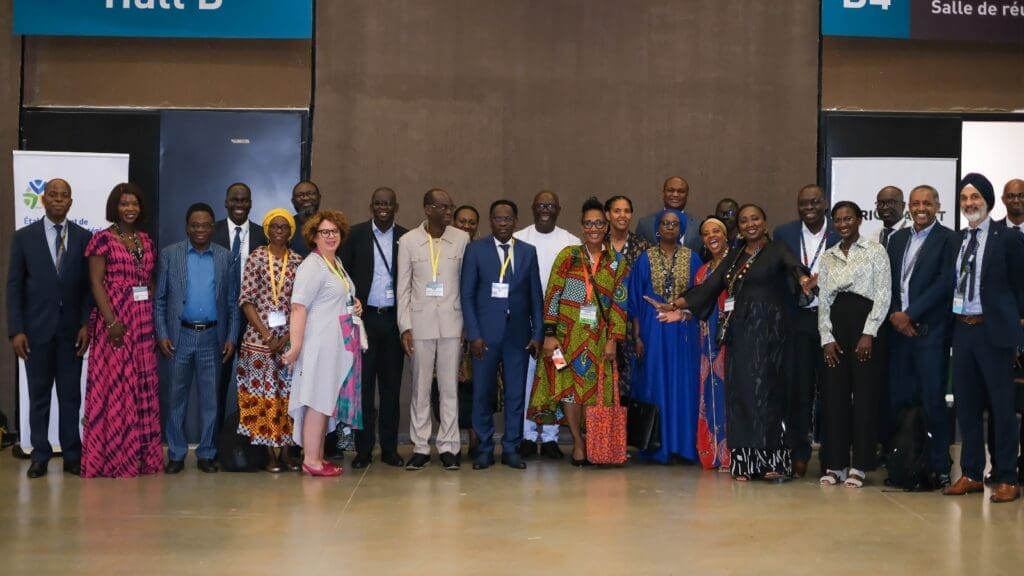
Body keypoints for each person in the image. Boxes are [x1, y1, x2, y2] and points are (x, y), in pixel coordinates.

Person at [658, 204, 812, 482]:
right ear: (738, 227)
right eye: (744, 221)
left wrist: (803, 280)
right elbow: (712, 284)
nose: (750, 224)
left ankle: (772, 462)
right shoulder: (737, 254)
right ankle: (746, 464)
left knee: (767, 397)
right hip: (739, 333)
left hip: (770, 335)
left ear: (764, 223)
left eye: (755, 219)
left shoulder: (777, 249)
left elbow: (794, 268)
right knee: (741, 397)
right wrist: (674, 304)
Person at [528, 197, 629, 466]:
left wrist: (613, 341)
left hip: (599, 342)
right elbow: (553, 296)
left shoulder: (617, 262)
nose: (593, 228)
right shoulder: (568, 256)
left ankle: (595, 442)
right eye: (588, 223)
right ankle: (578, 442)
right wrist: (549, 334)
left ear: (606, 225)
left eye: (598, 223)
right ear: (582, 226)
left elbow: (619, 304)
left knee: (595, 393)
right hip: (565, 340)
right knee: (568, 390)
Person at [942, 173, 1024, 503]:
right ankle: (972, 473)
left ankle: (1007, 476)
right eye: (964, 198)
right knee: (967, 406)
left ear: (988, 201)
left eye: (975, 197)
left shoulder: (1007, 238)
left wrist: (1017, 334)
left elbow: (1021, 287)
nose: (969, 203)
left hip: (994, 333)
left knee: (1002, 409)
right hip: (962, 331)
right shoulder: (957, 240)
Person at [6, 178, 92, 478]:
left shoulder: (84, 237)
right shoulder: (23, 237)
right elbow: (14, 286)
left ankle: (72, 455)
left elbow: (87, 288)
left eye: (64, 195)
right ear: (43, 200)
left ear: (70, 201)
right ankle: (40, 454)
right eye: (52, 195)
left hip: (72, 334)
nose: (58, 200)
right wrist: (16, 330)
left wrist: (85, 323)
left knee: (70, 396)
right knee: (39, 396)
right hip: (35, 333)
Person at [81, 183, 163, 478]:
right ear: (115, 207)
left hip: (142, 320)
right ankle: (115, 457)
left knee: (141, 386)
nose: (130, 208)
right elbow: (95, 282)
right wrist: (111, 321)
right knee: (117, 387)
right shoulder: (101, 240)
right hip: (115, 319)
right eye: (124, 204)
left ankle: (141, 456)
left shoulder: (145, 240)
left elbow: (149, 280)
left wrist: (151, 313)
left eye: (135, 204)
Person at [155, 203, 241, 474]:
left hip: (212, 338)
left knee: (210, 400)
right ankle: (177, 454)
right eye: (195, 225)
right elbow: (159, 301)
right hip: (179, 337)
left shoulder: (226, 257)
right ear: (187, 227)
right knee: (176, 398)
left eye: (205, 225)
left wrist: (231, 336)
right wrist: (162, 334)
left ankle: (206, 452)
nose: (200, 230)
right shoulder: (170, 254)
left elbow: (231, 302)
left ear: (212, 227)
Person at [461, 200, 543, 470]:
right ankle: (484, 449)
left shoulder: (528, 252)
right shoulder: (475, 251)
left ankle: (511, 447)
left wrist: (537, 332)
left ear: (516, 221)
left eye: (508, 219)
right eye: (498, 219)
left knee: (516, 394)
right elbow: (468, 295)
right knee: (482, 394)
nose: (503, 223)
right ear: (490, 221)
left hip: (517, 336)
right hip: (484, 336)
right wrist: (473, 334)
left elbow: (535, 297)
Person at [282, 210, 364, 477]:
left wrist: (354, 304)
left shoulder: (335, 262)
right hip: (318, 344)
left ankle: (316, 456)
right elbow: (298, 307)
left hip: (337, 344)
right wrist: (295, 347)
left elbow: (339, 297)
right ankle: (311, 460)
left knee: (325, 399)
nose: (331, 237)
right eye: (324, 232)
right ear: (313, 237)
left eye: (335, 232)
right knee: (316, 401)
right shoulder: (312, 265)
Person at [817, 201, 891, 488]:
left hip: (865, 325)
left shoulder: (875, 251)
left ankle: (860, 465)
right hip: (836, 326)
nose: (843, 224)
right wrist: (826, 337)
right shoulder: (829, 256)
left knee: (864, 397)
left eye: (848, 218)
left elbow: (883, 295)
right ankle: (835, 465)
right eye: (838, 220)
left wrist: (868, 332)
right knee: (834, 397)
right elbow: (823, 299)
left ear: (860, 220)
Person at [886, 185, 955, 488]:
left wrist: (910, 314)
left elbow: (945, 283)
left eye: (927, 202)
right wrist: (895, 315)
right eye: (916, 203)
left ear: (938, 206)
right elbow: (887, 281)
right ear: (909, 208)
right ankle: (905, 463)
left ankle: (939, 465)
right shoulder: (898, 238)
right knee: (901, 400)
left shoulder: (950, 239)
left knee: (932, 401)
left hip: (929, 333)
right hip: (900, 335)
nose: (921, 207)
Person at [397, 189, 470, 471]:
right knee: (421, 388)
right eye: (443, 206)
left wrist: (467, 326)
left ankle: (449, 446)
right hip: (420, 325)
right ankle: (420, 446)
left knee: (450, 387)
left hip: (453, 324)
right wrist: (405, 327)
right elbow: (403, 287)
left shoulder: (461, 239)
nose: (449, 211)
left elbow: (466, 285)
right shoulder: (408, 241)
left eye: (450, 206)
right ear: (428, 209)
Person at [773, 184, 838, 477]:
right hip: (797, 320)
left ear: (825, 203)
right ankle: (798, 453)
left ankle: (830, 456)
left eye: (814, 201)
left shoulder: (839, 232)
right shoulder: (784, 233)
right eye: (803, 203)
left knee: (831, 390)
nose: (809, 207)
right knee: (797, 390)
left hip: (832, 322)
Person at [340, 187, 408, 469]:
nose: (383, 207)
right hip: (364, 321)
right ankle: (364, 450)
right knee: (364, 389)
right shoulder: (355, 235)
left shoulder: (407, 238)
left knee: (392, 388)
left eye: (388, 203)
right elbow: (344, 275)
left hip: (394, 321)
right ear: (371, 206)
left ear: (396, 207)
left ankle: (390, 449)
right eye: (378, 203)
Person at [627, 209, 702, 463]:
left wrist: (684, 311)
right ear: (658, 228)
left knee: (683, 385)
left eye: (675, 224)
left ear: (681, 230)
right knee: (656, 384)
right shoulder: (644, 259)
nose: (670, 227)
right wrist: (637, 337)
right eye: (665, 223)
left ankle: (684, 446)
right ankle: (658, 446)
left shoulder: (693, 258)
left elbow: (700, 295)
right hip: (653, 332)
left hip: (683, 331)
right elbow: (635, 300)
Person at [235, 209, 302, 472]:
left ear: (290, 232)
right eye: (274, 227)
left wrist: (285, 337)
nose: (278, 231)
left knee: (287, 397)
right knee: (262, 398)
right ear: (267, 230)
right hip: (257, 340)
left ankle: (286, 453)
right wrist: (266, 335)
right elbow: (246, 301)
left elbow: (300, 305)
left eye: (284, 227)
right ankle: (268, 455)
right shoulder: (256, 257)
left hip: (289, 340)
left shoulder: (297, 261)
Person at [514, 190, 579, 460]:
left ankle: (551, 437)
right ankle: (529, 436)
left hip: (560, 325)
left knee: (557, 375)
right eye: (540, 205)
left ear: (559, 209)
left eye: (550, 205)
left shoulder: (571, 242)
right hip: (527, 321)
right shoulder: (519, 239)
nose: (545, 209)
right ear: (532, 207)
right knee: (528, 378)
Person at [212, 182, 268, 439]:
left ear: (251, 203)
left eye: (244, 200)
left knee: (252, 384)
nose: (239, 205)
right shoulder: (211, 233)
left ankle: (251, 444)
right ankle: (212, 446)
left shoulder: (262, 235)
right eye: (234, 200)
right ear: (226, 202)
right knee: (218, 385)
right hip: (221, 317)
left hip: (253, 319)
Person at [694, 217, 732, 471]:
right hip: (708, 345)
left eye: (716, 231)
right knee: (712, 396)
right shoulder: (702, 271)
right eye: (706, 233)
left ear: (726, 235)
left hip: (733, 341)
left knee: (731, 396)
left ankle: (732, 453)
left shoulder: (737, 265)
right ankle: (713, 452)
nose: (712, 236)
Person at [448, 204, 485, 456]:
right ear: (453, 222)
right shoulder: (444, 248)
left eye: (472, 222)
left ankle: (475, 438)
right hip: (447, 328)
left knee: (475, 386)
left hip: (476, 330)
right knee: (448, 387)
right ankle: (450, 441)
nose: (467, 226)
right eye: (462, 221)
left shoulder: (482, 251)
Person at [604, 195, 650, 397]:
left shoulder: (643, 247)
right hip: (603, 323)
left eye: (626, 211)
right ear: (607, 214)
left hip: (633, 323)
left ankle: (630, 428)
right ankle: (605, 427)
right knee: (604, 378)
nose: (622, 215)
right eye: (617, 211)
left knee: (632, 378)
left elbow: (647, 287)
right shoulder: (598, 244)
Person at [636, 176, 702, 251]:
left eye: (681, 191)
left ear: (687, 195)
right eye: (670, 190)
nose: (675, 195)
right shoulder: (645, 224)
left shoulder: (698, 225)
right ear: (663, 193)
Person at [289, 180, 321, 257]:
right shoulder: (287, 226)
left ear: (319, 198)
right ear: (293, 201)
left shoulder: (329, 224)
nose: (306, 198)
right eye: (300, 195)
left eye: (310, 194)